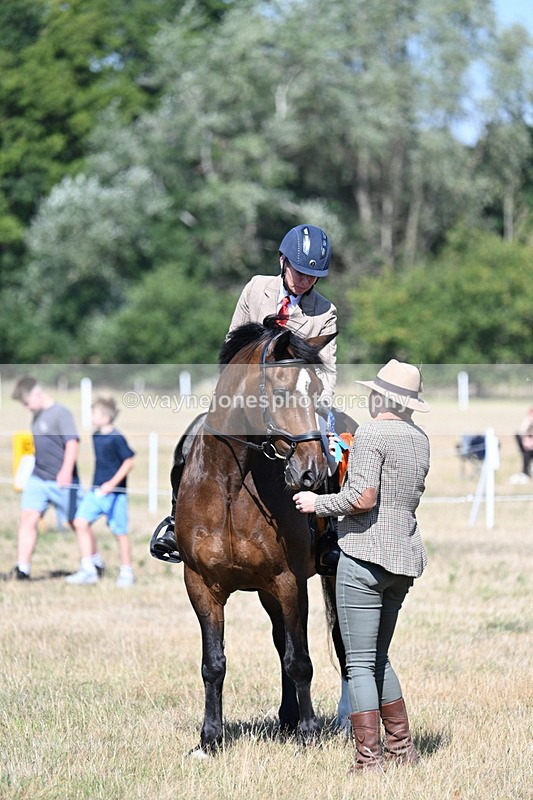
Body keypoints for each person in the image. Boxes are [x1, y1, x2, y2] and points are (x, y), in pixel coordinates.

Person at [150, 223, 339, 563]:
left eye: (313, 277)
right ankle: (176, 520)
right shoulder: (256, 289)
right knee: (190, 438)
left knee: (328, 451)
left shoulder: (324, 312)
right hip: (246, 396)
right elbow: (232, 345)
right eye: (300, 272)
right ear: (283, 261)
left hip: (298, 399)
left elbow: (327, 370)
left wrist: (313, 401)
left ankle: (328, 536)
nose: (305, 281)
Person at [293, 359, 431, 771]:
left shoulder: (371, 433)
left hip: (366, 558)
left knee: (358, 664)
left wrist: (318, 504)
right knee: (378, 658)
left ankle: (368, 759)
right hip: (403, 559)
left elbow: (363, 498)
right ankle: (402, 750)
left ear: (380, 397)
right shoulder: (419, 437)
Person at [11, 375, 81, 580]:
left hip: (61, 480)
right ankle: (22, 569)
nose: (26, 408)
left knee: (77, 522)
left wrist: (66, 471)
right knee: (28, 519)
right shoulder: (37, 414)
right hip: (38, 478)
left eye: (26, 403)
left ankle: (94, 562)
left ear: (37, 393)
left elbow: (72, 442)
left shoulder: (61, 413)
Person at [65, 396, 136, 587]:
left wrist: (111, 485)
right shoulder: (95, 436)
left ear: (105, 417)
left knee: (120, 533)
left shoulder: (117, 438)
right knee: (80, 522)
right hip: (95, 492)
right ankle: (89, 568)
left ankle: (127, 572)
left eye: (94, 413)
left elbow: (129, 462)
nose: (90, 417)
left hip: (115, 494)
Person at [512, 407, 533, 483]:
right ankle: (525, 473)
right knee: (526, 454)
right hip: (528, 449)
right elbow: (521, 432)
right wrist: (527, 421)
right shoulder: (528, 423)